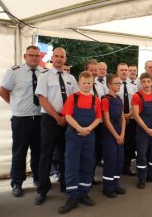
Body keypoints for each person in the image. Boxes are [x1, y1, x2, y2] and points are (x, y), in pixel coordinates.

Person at [0, 45, 46, 197]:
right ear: (25, 56)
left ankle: (38, 178)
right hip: (21, 119)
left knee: (38, 151)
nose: (34, 58)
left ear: (40, 58)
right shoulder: (15, 72)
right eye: (31, 55)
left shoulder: (44, 73)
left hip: (39, 118)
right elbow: (3, 91)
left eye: (37, 56)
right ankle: (17, 183)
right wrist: (15, 106)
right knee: (19, 152)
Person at [34, 47, 79, 205]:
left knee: (65, 154)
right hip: (50, 119)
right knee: (46, 154)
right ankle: (42, 189)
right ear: (52, 58)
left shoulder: (71, 78)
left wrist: (66, 117)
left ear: (65, 59)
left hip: (67, 120)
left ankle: (66, 185)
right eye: (56, 56)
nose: (59, 59)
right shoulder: (44, 76)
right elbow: (42, 99)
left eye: (62, 57)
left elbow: (75, 100)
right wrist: (57, 117)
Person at [58, 71, 101, 214]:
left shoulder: (96, 100)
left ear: (92, 84)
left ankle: (83, 193)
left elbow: (98, 118)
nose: (87, 86)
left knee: (87, 164)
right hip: (73, 136)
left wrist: (88, 129)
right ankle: (72, 197)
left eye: (89, 83)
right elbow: (68, 116)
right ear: (79, 83)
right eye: (84, 83)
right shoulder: (73, 98)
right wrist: (79, 128)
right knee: (71, 165)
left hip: (89, 136)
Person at [132, 73, 152, 189]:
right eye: (143, 82)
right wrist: (147, 129)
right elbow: (136, 115)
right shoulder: (136, 96)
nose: (146, 84)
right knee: (141, 154)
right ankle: (141, 179)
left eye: (148, 82)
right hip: (142, 130)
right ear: (141, 83)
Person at [101, 73, 126, 198]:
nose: (119, 85)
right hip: (110, 133)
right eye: (116, 83)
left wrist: (122, 133)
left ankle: (116, 184)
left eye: (120, 83)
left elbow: (123, 119)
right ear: (109, 84)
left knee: (119, 160)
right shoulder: (105, 100)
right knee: (110, 160)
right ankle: (107, 187)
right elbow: (106, 120)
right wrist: (116, 136)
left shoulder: (119, 99)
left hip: (119, 132)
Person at [117, 63, 137, 177]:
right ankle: (118, 166)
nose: (124, 72)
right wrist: (121, 116)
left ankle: (127, 166)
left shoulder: (133, 86)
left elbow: (135, 103)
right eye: (122, 70)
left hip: (131, 118)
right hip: (118, 119)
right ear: (118, 71)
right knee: (118, 143)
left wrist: (129, 114)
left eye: (126, 70)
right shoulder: (114, 84)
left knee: (129, 144)